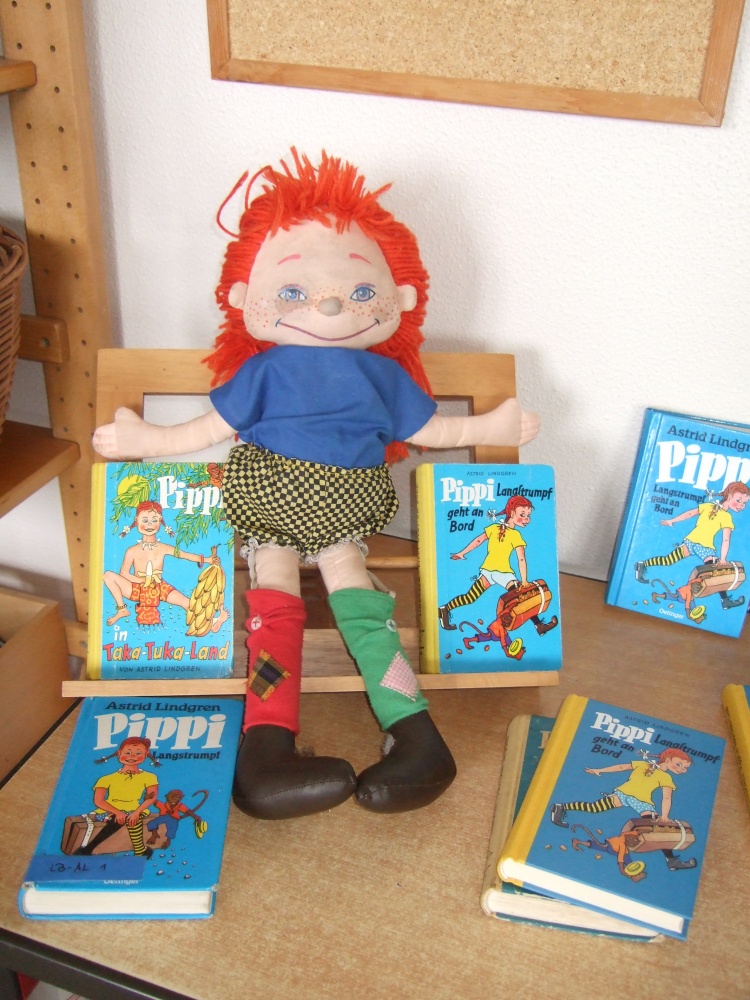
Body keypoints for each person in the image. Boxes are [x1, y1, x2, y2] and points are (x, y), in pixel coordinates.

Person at [92, 149, 540, 820]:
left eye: (360, 292)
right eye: (294, 292)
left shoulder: (383, 375)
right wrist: (147, 442)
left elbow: (431, 430)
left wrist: (493, 424)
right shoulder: (264, 370)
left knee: (362, 612)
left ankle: (414, 731)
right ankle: (267, 745)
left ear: (401, 298)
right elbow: (208, 427)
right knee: (274, 612)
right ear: (243, 298)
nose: (329, 303)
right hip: (270, 510)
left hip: (343, 517)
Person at [549, 749, 697, 870]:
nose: (682, 769)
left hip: (622, 794)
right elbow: (666, 798)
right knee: (658, 830)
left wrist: (600, 770)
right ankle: (671, 861)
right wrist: (664, 816)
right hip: (641, 802)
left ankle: (561, 807)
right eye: (679, 764)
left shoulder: (645, 765)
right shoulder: (664, 776)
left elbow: (622, 767)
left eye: (685, 768)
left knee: (593, 807)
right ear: (668, 759)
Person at [437, 495, 557, 636]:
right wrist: (524, 581)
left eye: (528, 515)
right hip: (504, 574)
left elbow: (478, 540)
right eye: (522, 515)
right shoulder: (515, 535)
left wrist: (462, 553)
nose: (526, 519)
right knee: (522, 598)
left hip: (487, 572)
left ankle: (445, 608)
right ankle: (539, 626)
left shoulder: (494, 528)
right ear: (511, 513)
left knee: (470, 597)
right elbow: (521, 559)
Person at [104, 499, 228, 629]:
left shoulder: (163, 547)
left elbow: (184, 555)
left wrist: (208, 560)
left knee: (188, 603)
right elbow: (124, 573)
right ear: (137, 520)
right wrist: (141, 580)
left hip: (159, 587)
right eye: (145, 520)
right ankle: (122, 609)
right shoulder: (132, 550)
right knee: (108, 576)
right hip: (137, 588)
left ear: (160, 521)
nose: (149, 524)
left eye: (154, 520)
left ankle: (213, 622)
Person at [635, 482, 749, 610]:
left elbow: (690, 513)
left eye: (744, 503)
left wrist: (672, 520)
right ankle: (725, 601)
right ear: (729, 496)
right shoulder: (726, 516)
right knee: (716, 573)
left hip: (690, 541)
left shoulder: (709, 506)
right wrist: (722, 559)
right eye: (739, 500)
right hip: (705, 548)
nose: (742, 505)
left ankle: (643, 564)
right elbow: (726, 539)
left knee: (668, 560)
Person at [75, 736, 160, 858]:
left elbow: (151, 797)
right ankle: (140, 851)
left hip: (135, 809)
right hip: (109, 810)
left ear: (146, 755)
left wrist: (136, 813)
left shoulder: (150, 777)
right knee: (120, 818)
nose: (132, 756)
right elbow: (98, 801)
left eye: (138, 753)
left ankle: (87, 850)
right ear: (119, 753)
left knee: (132, 819)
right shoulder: (106, 779)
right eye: (128, 752)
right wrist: (118, 813)